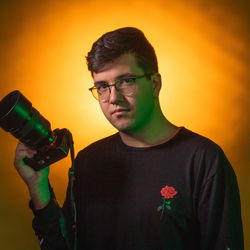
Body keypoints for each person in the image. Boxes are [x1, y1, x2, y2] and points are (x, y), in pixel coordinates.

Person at [14, 27, 244, 250]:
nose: (114, 97)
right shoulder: (87, 161)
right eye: (102, 86)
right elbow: (62, 246)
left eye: (126, 81)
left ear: (155, 84)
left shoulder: (203, 160)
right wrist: (38, 186)